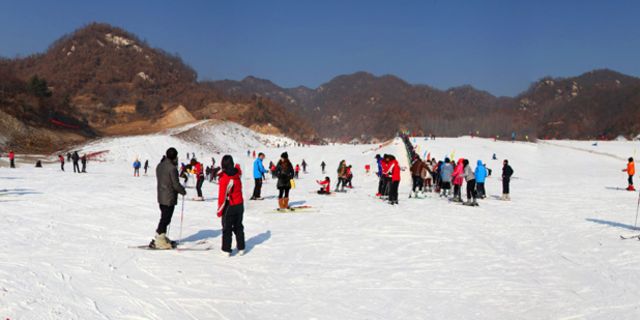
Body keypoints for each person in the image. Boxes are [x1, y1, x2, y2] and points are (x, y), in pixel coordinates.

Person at [152, 147, 186, 249]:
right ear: (175, 157)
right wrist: (182, 191)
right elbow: (175, 184)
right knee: (165, 219)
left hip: (161, 196)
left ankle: (161, 237)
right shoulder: (172, 168)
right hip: (169, 197)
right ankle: (159, 240)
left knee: (164, 217)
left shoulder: (160, 165)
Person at [217, 155, 245, 256]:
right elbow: (237, 169)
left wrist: (219, 211)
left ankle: (226, 249)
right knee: (238, 226)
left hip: (230, 205)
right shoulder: (237, 173)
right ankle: (241, 247)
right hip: (240, 204)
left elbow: (222, 196)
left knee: (227, 228)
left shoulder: (225, 179)